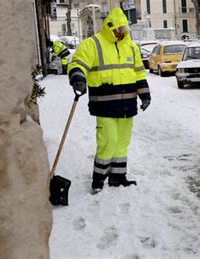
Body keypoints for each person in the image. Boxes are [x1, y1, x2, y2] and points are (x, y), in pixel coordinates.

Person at [67, 7, 151, 192]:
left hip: (127, 104)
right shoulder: (93, 44)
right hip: (104, 104)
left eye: (124, 29)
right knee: (107, 141)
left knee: (122, 142)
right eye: (118, 29)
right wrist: (78, 79)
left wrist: (144, 95)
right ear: (110, 27)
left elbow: (138, 73)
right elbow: (78, 63)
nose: (121, 32)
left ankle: (118, 177)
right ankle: (98, 179)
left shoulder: (131, 47)